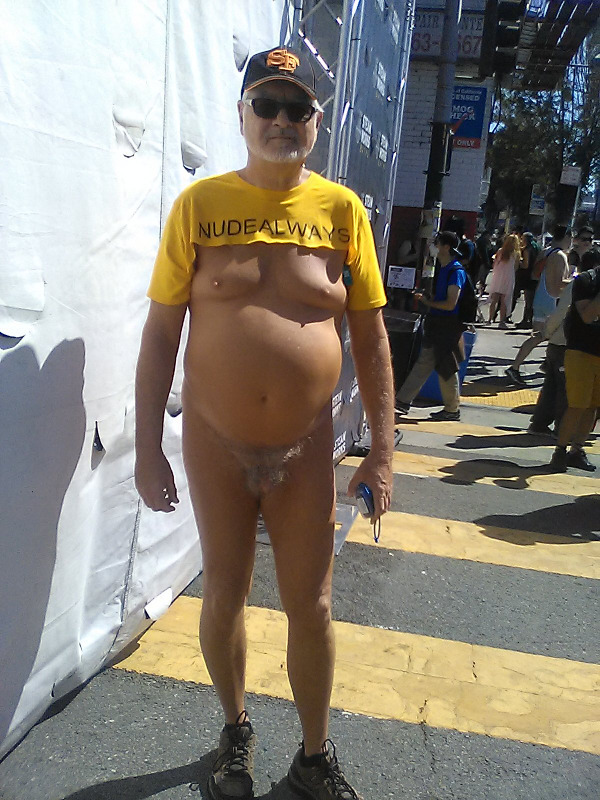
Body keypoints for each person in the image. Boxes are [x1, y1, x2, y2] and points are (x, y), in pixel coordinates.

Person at [134, 47, 394, 800]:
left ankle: (313, 758)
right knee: (224, 592)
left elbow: (372, 337)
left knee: (312, 604)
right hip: (214, 440)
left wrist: (382, 450)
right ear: (243, 114)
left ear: (316, 120)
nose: (282, 120)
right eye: (267, 105)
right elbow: (161, 335)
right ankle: (235, 730)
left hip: (306, 444)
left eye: (297, 107)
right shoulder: (199, 206)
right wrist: (147, 447)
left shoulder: (343, 212)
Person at [395, 230, 466, 422]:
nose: (433, 246)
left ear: (446, 247)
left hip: (447, 326)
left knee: (446, 366)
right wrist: (428, 298)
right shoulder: (445, 269)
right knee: (427, 362)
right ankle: (403, 400)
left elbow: (451, 304)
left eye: (437, 243)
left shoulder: (455, 272)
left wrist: (428, 303)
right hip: (437, 324)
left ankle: (452, 409)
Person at [549, 257, 600, 472]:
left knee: (593, 406)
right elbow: (587, 316)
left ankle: (577, 451)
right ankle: (560, 451)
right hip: (581, 352)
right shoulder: (586, 280)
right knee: (577, 405)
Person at [505, 225, 572, 386]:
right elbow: (560, 283)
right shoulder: (560, 256)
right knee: (556, 337)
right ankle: (524, 367)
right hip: (552, 300)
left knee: (538, 336)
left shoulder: (545, 251)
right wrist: (576, 280)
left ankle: (522, 366)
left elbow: (535, 275)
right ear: (567, 237)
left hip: (540, 296)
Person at [487, 233, 521, 328]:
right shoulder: (516, 253)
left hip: (498, 275)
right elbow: (516, 267)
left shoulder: (500, 251)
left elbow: (494, 263)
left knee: (494, 299)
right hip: (509, 276)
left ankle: (490, 319)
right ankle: (502, 321)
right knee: (505, 300)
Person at [513, 232, 540, 329]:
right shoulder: (537, 247)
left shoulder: (528, 249)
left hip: (528, 276)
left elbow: (526, 265)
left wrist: (518, 262)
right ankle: (530, 320)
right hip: (536, 276)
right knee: (532, 300)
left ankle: (526, 321)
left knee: (528, 300)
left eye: (522, 239)